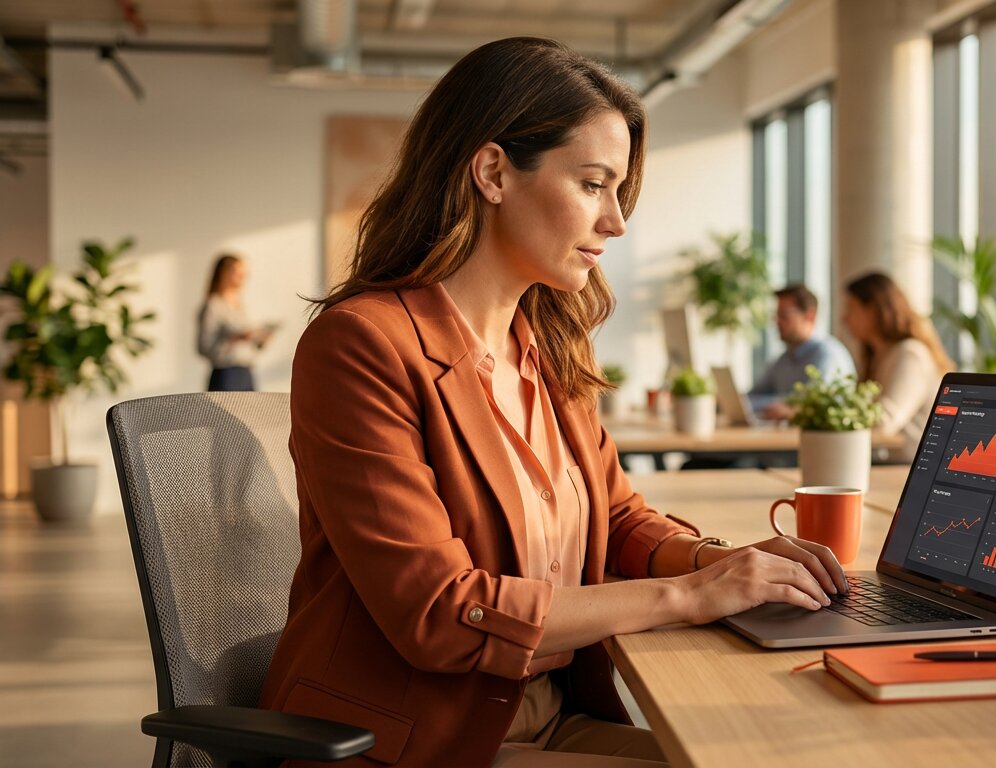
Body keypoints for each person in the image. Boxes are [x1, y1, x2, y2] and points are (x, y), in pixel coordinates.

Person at [258, 37, 845, 768]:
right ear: (494, 171)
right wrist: (691, 595)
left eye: (618, 190)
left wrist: (720, 560)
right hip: (420, 742)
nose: (616, 222)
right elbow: (440, 614)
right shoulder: (361, 347)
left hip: (541, 720)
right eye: (594, 184)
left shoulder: (548, 346)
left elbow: (621, 517)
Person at [841, 272, 956, 462]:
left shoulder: (910, 355)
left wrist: (832, 417)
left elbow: (885, 421)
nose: (844, 319)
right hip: (885, 462)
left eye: (851, 309)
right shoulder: (878, 355)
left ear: (873, 310)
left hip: (908, 468)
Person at [746, 284, 855, 420]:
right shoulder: (784, 360)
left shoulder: (827, 354)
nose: (777, 321)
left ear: (810, 316)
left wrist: (779, 405)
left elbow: (811, 405)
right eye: (776, 315)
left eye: (784, 315)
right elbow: (752, 397)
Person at [196, 253, 275, 391]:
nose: (243, 278)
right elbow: (204, 347)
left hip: (246, 372)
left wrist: (259, 340)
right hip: (226, 374)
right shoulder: (213, 306)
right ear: (225, 274)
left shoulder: (240, 305)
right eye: (238, 273)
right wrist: (237, 339)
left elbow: (248, 346)